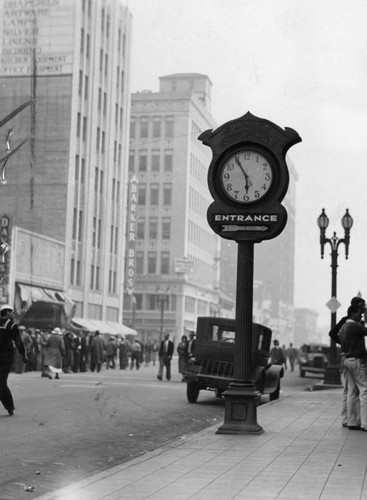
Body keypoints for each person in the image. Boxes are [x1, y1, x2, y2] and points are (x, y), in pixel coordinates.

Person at [329, 296, 365, 427]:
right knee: (350, 391)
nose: (363, 310)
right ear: (355, 307)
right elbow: (332, 333)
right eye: (361, 307)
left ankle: (349, 419)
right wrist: (345, 344)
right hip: (351, 356)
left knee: (350, 391)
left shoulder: (352, 321)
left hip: (347, 356)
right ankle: (349, 419)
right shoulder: (349, 321)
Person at [339, 304, 367, 430]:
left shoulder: (343, 327)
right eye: (359, 313)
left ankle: (352, 421)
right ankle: (365, 423)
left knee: (351, 391)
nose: (361, 315)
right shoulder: (355, 326)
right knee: (364, 391)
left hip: (347, 360)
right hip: (357, 360)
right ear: (352, 313)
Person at [0, 304, 27, 416]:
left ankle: (9, 406)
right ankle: (9, 406)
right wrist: (23, 354)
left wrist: (22, 354)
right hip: (5, 357)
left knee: (1, 384)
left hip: (5, 358)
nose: (13, 314)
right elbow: (18, 341)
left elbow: (18, 341)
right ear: (7, 312)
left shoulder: (12, 325)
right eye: (12, 312)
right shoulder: (12, 325)